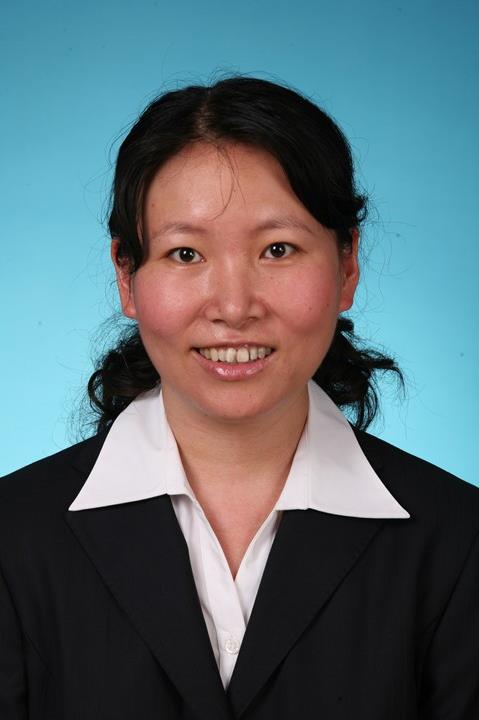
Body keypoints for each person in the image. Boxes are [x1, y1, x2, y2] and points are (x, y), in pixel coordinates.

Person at [0, 76, 478, 720]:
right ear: (126, 275)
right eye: (185, 253)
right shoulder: (12, 538)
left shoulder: (459, 542)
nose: (233, 307)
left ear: (347, 265)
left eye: (278, 249)